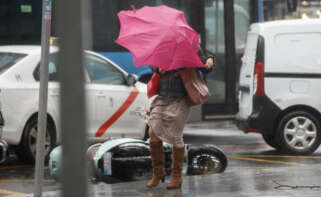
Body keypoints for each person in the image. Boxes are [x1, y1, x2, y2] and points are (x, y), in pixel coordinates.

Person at [146, 54, 214, 189]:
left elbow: (205, 65)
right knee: (153, 133)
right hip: (162, 98)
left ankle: (177, 176)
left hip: (180, 100)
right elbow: (152, 63)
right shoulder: (163, 49)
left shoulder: (188, 49)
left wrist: (211, 60)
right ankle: (158, 172)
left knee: (176, 136)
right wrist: (158, 69)